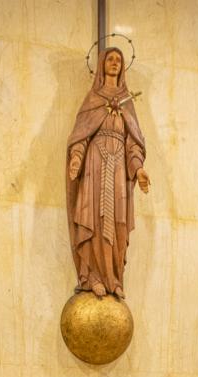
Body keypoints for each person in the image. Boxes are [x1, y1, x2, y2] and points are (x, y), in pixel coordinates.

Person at [66, 46, 150, 299]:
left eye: (118, 60)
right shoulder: (93, 99)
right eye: (110, 59)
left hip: (119, 169)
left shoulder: (127, 102)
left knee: (117, 223)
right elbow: (81, 134)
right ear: (102, 64)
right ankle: (92, 276)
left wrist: (139, 169)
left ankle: (114, 277)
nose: (114, 63)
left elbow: (133, 142)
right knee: (93, 218)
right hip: (94, 166)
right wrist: (76, 159)